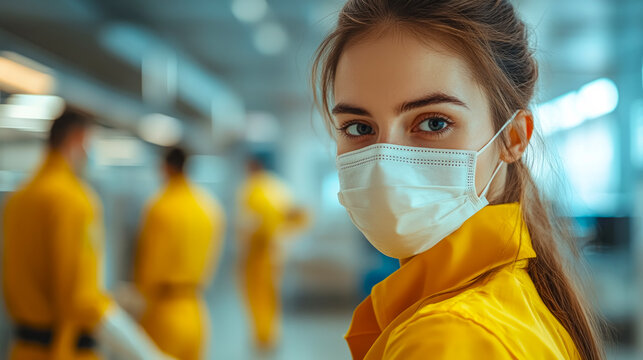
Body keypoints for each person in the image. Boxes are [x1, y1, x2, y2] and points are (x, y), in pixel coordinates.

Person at [311, 1, 604, 359]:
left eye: (434, 123)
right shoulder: (512, 302)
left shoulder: (447, 337)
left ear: (513, 137)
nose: (385, 163)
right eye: (359, 128)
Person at [2, 110, 172, 360]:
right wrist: (149, 355)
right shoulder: (74, 200)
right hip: (64, 351)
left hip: (22, 351)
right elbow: (81, 301)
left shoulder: (18, 199)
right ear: (79, 138)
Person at [134, 146, 225, 360]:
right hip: (197, 310)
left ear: (166, 167)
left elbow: (148, 265)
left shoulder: (160, 207)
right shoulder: (208, 207)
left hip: (164, 312)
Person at [237, 156, 309, 351]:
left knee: (258, 295)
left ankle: (263, 336)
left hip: (258, 253)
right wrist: (284, 238)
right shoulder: (280, 187)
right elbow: (300, 214)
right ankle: (270, 335)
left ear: (253, 166)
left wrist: (259, 241)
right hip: (275, 252)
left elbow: (251, 223)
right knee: (271, 294)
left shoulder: (255, 189)